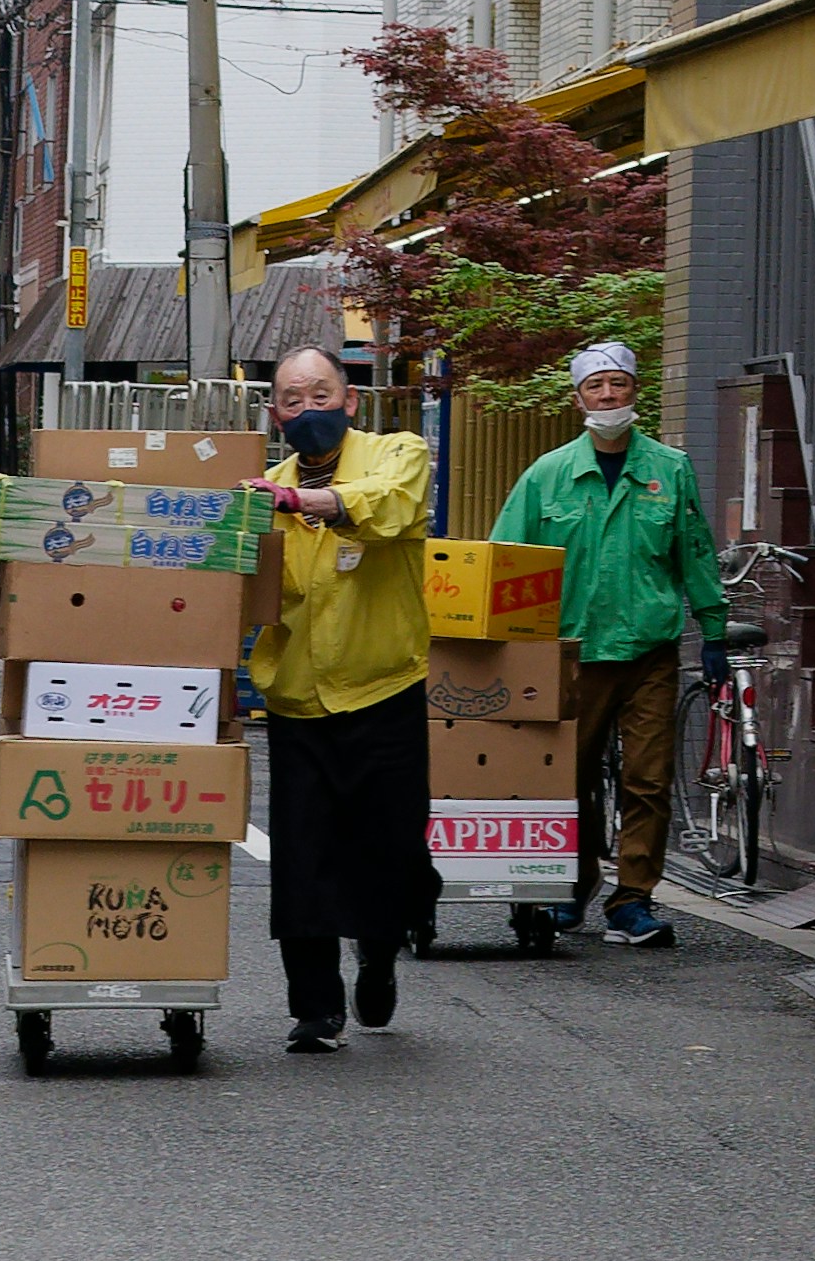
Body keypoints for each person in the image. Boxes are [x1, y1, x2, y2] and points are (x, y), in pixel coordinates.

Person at [491, 337, 727, 947]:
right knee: (568, 777)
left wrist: (714, 629)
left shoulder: (669, 470)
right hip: (570, 652)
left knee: (647, 778)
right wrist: (499, 641)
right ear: (578, 399)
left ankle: (633, 899)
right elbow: (506, 559)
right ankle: (573, 886)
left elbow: (695, 552)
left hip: (649, 650)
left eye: (617, 383)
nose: (608, 394)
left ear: (634, 391)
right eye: (595, 386)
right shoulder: (548, 476)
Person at [250, 347, 435, 1053]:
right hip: (298, 699)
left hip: (384, 687)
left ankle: (381, 950)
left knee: (391, 850)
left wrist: (310, 502)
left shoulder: (399, 454)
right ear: (276, 413)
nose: (307, 410)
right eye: (292, 400)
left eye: (320, 394)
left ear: (349, 400)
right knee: (303, 857)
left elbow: (391, 511)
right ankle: (315, 1007)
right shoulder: (263, 491)